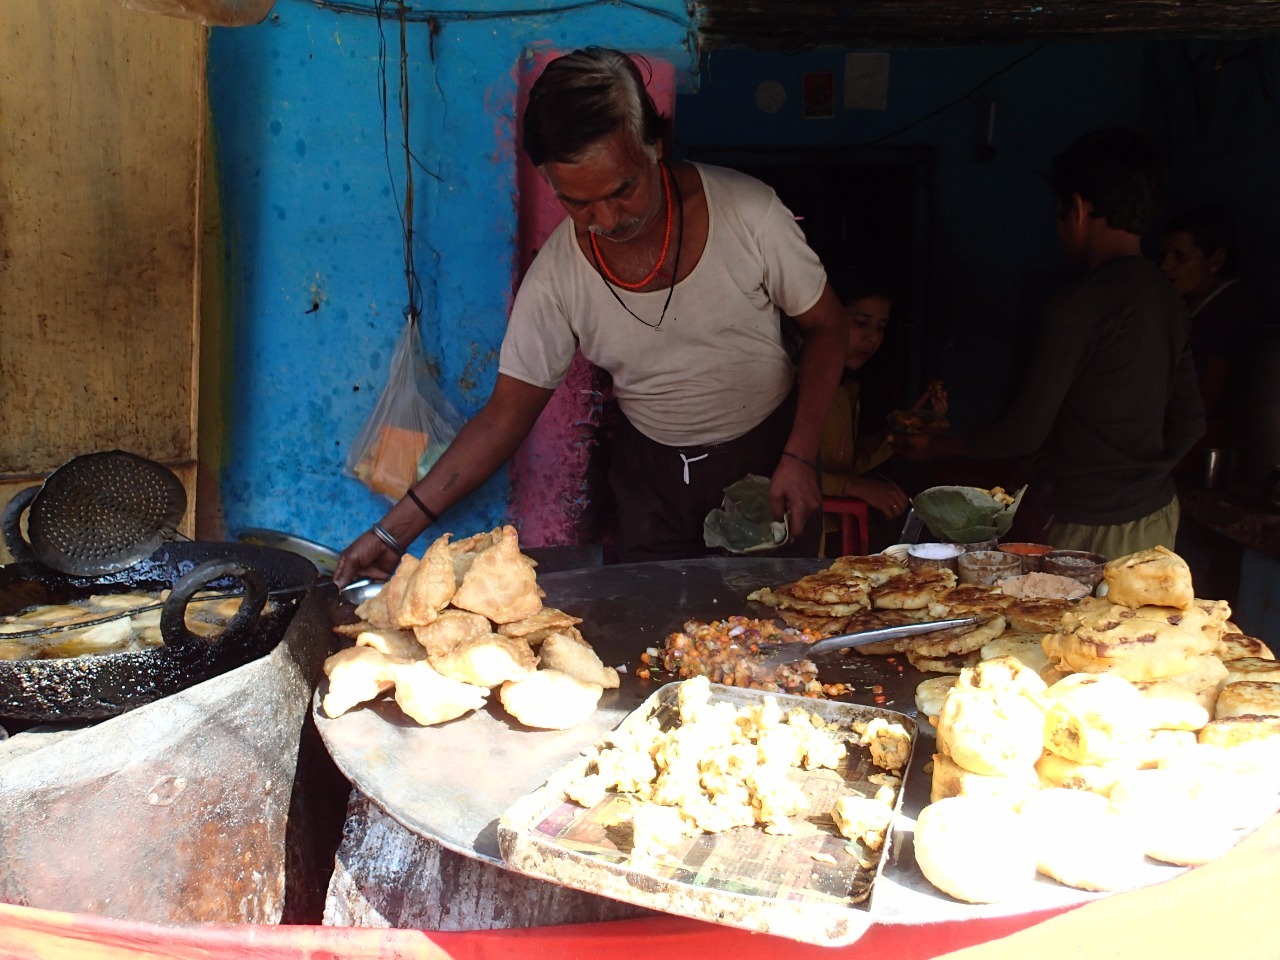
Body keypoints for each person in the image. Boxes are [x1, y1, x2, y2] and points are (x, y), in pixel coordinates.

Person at [334, 47, 849, 585]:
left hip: (770, 458)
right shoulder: (558, 276)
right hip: (651, 482)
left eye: (622, 190)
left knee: (778, 619)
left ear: (654, 145)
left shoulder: (749, 214)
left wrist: (800, 455)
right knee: (657, 626)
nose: (606, 219)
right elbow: (504, 417)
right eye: (577, 203)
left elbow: (828, 327)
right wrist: (391, 534)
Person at [892, 127, 1205, 560]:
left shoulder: (1080, 303)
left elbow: (1023, 432)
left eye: (1059, 214)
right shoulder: (1169, 298)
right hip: (1157, 514)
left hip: (1092, 526)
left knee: (1075, 610)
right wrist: (1140, 478)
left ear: (1078, 209)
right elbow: (1191, 421)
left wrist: (939, 447)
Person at [818, 280, 945, 527]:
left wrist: (908, 424)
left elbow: (847, 463)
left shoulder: (845, 390)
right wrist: (855, 487)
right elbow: (775, 472)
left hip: (835, 530)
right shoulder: (794, 384)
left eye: (881, 328)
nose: (872, 337)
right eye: (861, 323)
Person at [1159, 205, 1259, 452]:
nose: (1166, 265)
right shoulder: (1189, 307)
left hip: (1207, 448)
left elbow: (1205, 403)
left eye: (1179, 256)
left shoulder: (1230, 314)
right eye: (1164, 255)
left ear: (1216, 260)